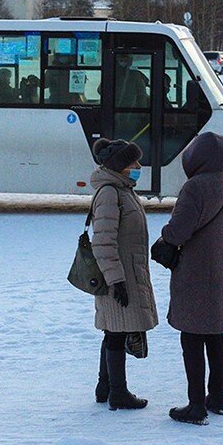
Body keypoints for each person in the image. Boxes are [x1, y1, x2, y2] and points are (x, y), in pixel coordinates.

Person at [152, 132, 223, 425]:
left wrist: (164, 237)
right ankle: (216, 397)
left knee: (191, 337)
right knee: (215, 336)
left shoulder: (194, 188)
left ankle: (195, 407)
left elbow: (178, 231)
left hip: (194, 271)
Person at [89, 138, 159, 410]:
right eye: (133, 163)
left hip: (126, 271)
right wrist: (115, 279)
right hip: (118, 274)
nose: (139, 167)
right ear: (120, 167)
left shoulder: (123, 190)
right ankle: (117, 392)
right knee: (116, 331)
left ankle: (105, 386)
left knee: (113, 329)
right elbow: (103, 242)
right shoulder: (110, 193)